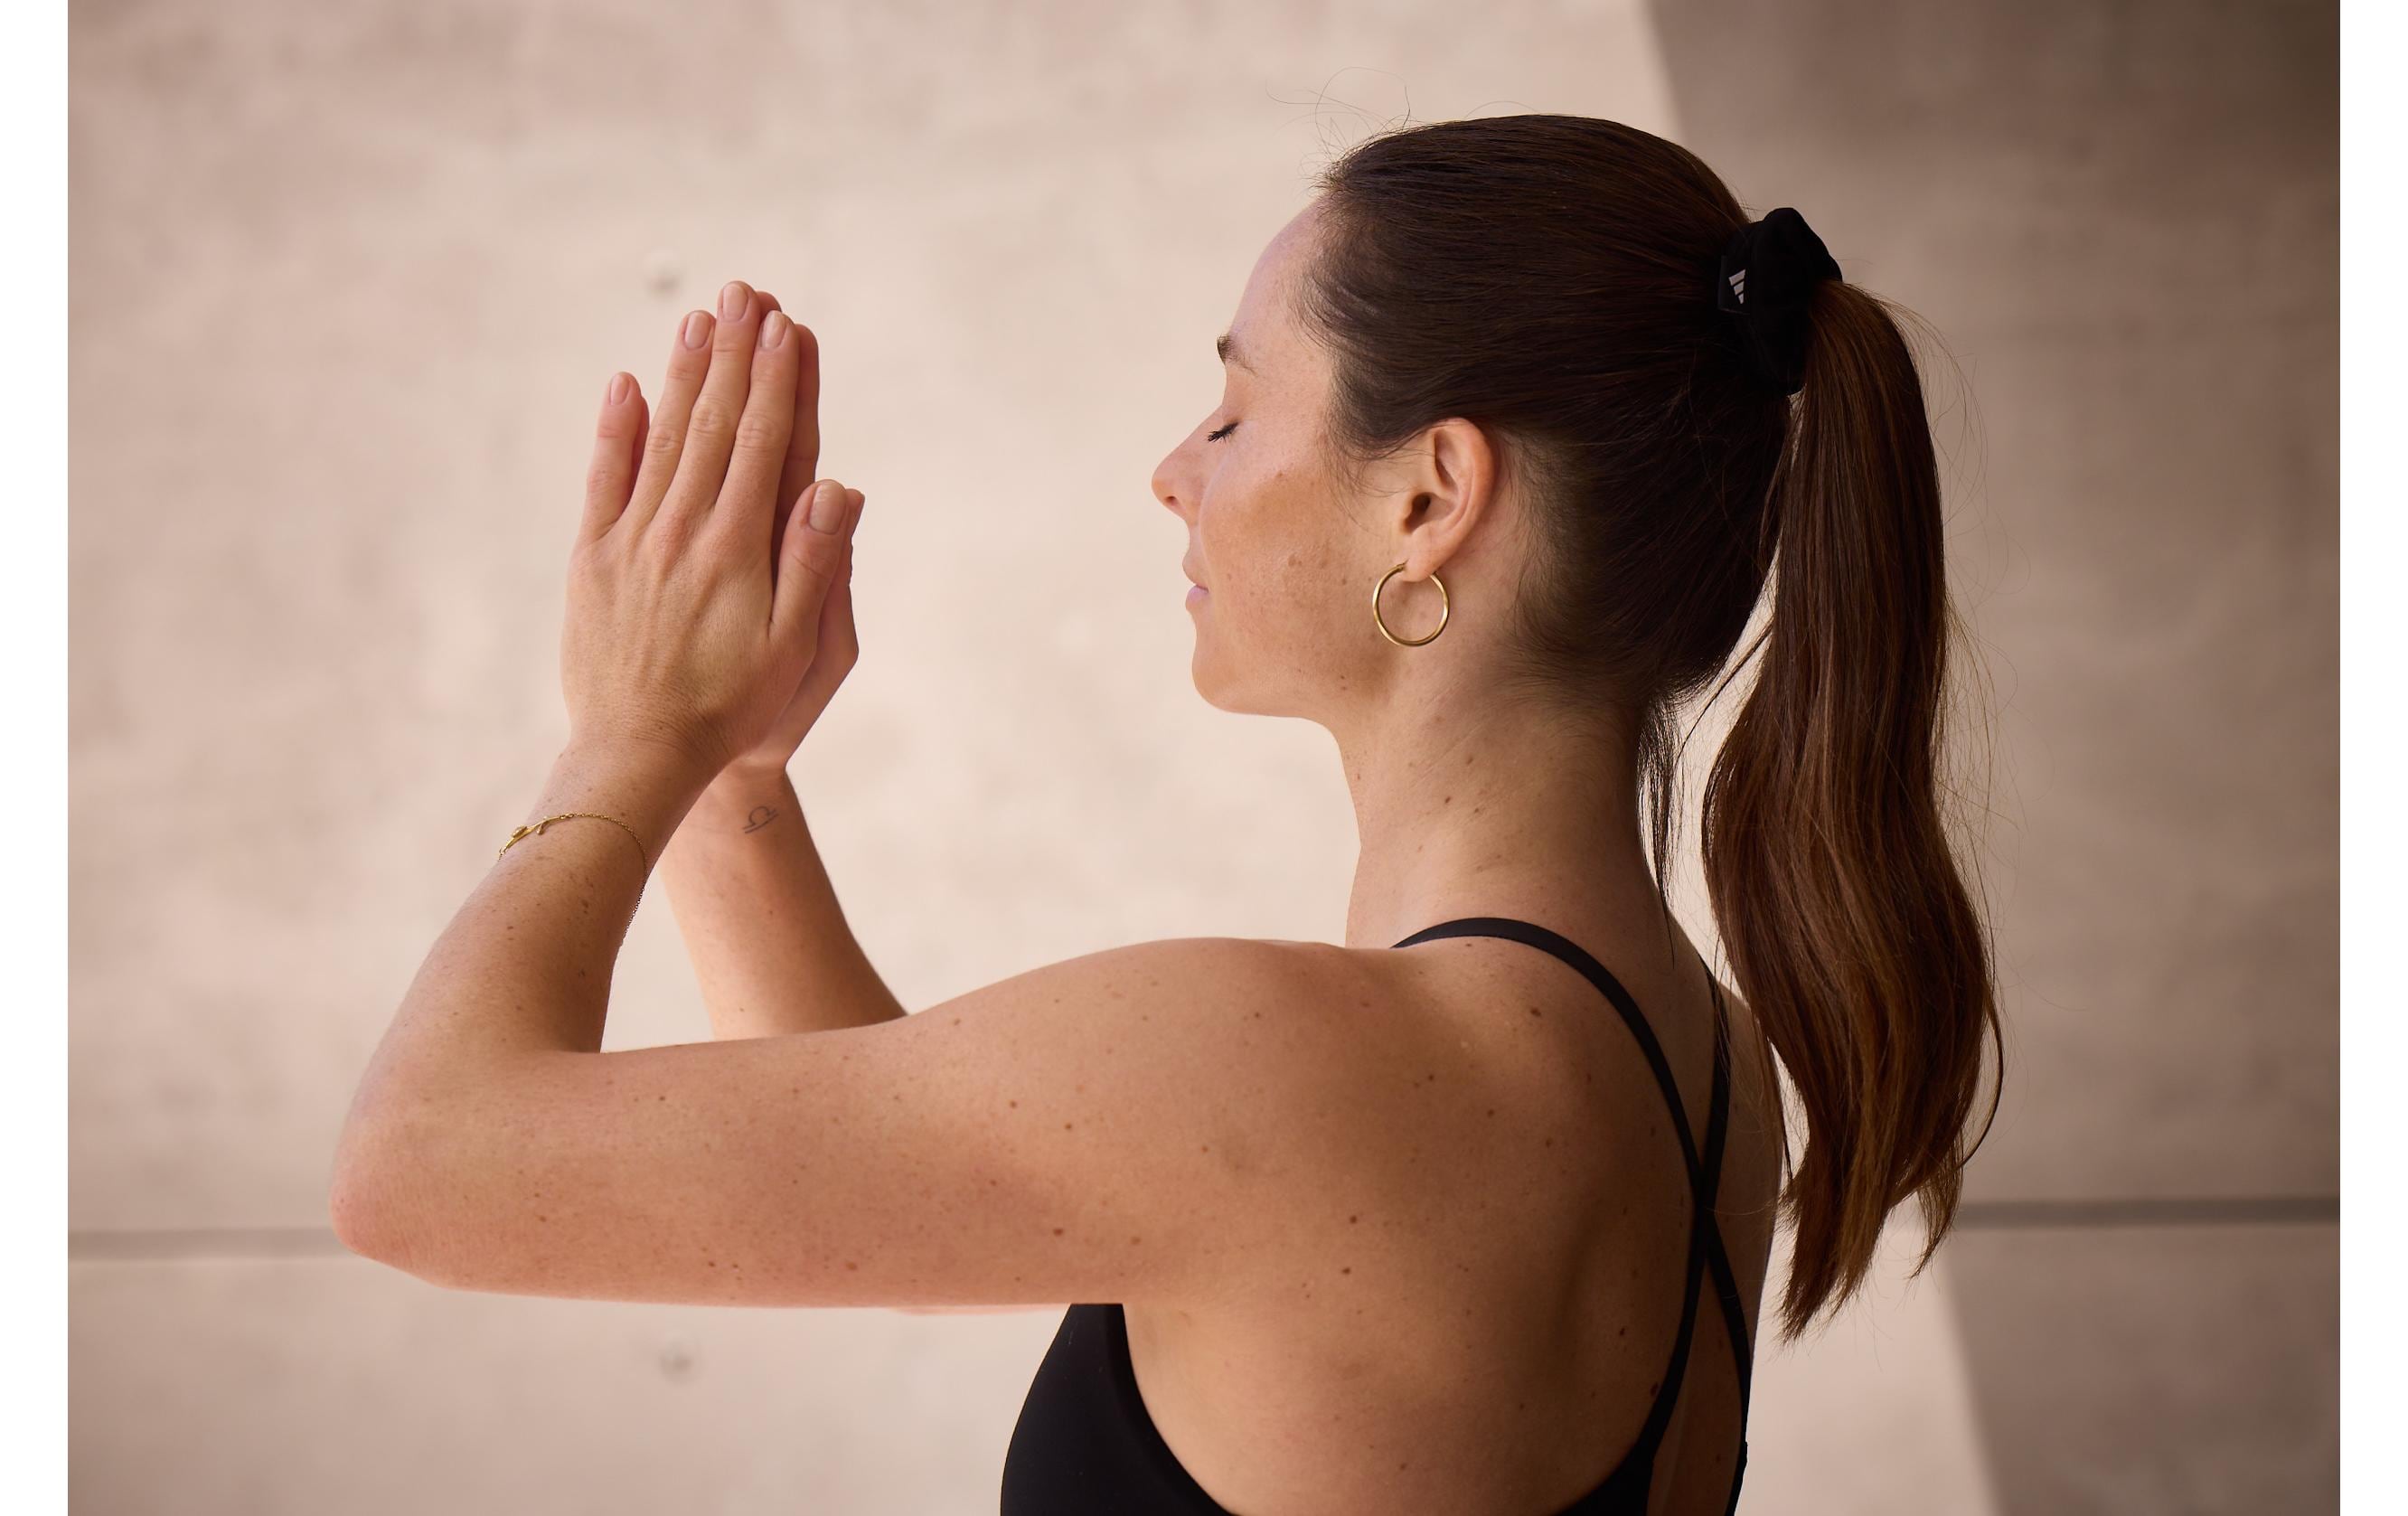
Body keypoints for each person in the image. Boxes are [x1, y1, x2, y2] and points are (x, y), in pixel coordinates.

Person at [331, 112, 2001, 1516]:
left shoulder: (1305, 1066)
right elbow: (912, 1176)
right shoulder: (1702, 1068)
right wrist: (730, 781)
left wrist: (628, 739)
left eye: (1234, 409)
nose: (1175, 469)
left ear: (1431, 495)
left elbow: (422, 1168)